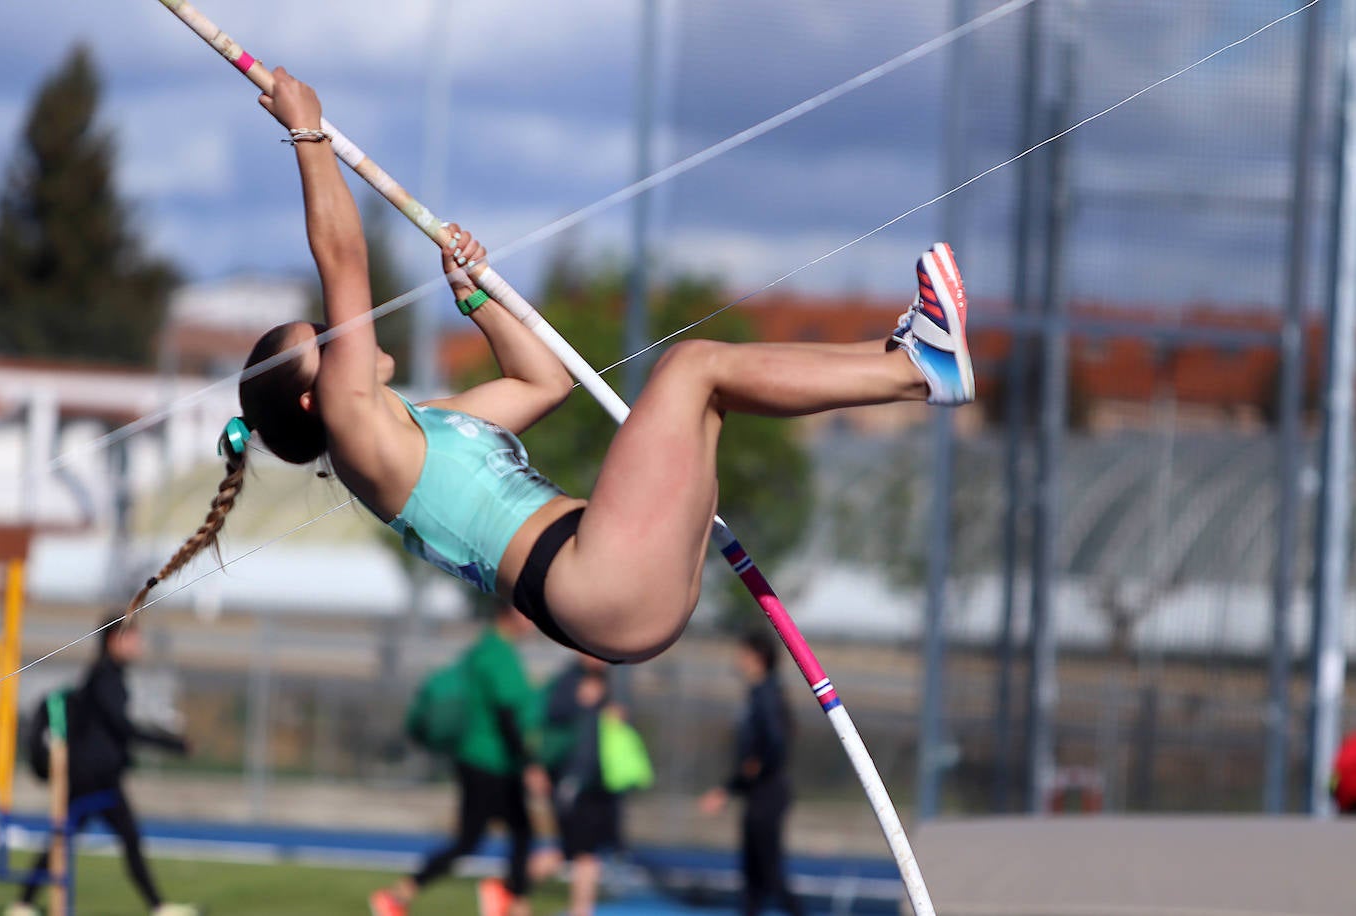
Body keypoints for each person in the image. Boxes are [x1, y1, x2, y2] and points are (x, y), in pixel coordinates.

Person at [130, 69, 974, 667]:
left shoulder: (422, 427)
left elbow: (544, 382)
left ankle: (911, 362)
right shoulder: (359, 441)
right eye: (325, 337)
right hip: (595, 584)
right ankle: (912, 366)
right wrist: (308, 133)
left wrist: (473, 297)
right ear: (316, 397)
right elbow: (344, 258)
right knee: (690, 372)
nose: (341, 329)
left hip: (613, 584)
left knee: (703, 394)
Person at [6, 615, 197, 916]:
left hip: (102, 778)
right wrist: (174, 744)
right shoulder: (104, 677)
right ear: (114, 641)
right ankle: (23, 904)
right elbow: (123, 728)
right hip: (90, 779)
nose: (139, 644)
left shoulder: (111, 676)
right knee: (67, 839)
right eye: (133, 638)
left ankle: (24, 903)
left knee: (110, 839)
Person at [370, 604, 548, 916]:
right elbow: (507, 716)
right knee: (492, 837)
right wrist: (530, 763)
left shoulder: (482, 650)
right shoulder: (498, 655)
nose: (533, 624)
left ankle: (508, 898)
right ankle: (401, 895)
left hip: (480, 758)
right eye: (529, 615)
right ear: (511, 614)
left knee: (501, 835)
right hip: (491, 761)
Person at [698, 631, 806, 916]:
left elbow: (776, 742)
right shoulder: (756, 694)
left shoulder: (767, 695)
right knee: (752, 874)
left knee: (769, 872)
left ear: (758, 659)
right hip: (756, 792)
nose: (738, 660)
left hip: (768, 794)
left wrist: (754, 769)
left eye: (743, 654)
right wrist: (731, 787)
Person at [529, 655, 628, 916]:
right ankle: (513, 886)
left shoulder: (603, 682)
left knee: (583, 852)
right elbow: (548, 719)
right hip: (573, 782)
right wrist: (581, 704)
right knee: (578, 851)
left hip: (599, 783)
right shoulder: (567, 682)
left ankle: (580, 910)